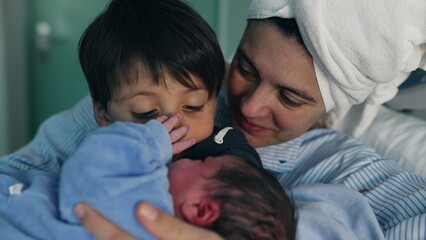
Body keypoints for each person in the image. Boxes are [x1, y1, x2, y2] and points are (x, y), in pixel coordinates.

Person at [1, 0, 425, 239]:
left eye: (291, 97)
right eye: (244, 68)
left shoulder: (340, 164)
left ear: (331, 105)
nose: (250, 105)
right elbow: (15, 176)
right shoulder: (150, 104)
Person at [0, 115, 297, 240]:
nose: (194, 159)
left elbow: (94, 163)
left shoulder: (145, 202)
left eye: (204, 162)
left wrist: (152, 139)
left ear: (200, 209)